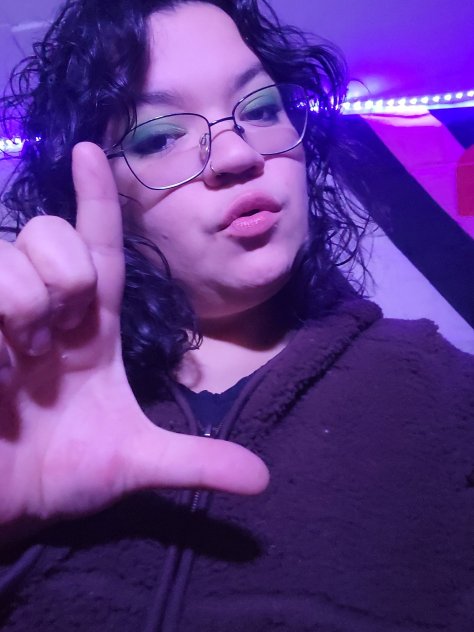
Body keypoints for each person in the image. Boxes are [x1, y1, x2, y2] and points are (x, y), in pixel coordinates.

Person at [0, 0, 473, 630]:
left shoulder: (448, 393)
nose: (236, 154)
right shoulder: (30, 400)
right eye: (160, 135)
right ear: (95, 195)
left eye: (260, 109)